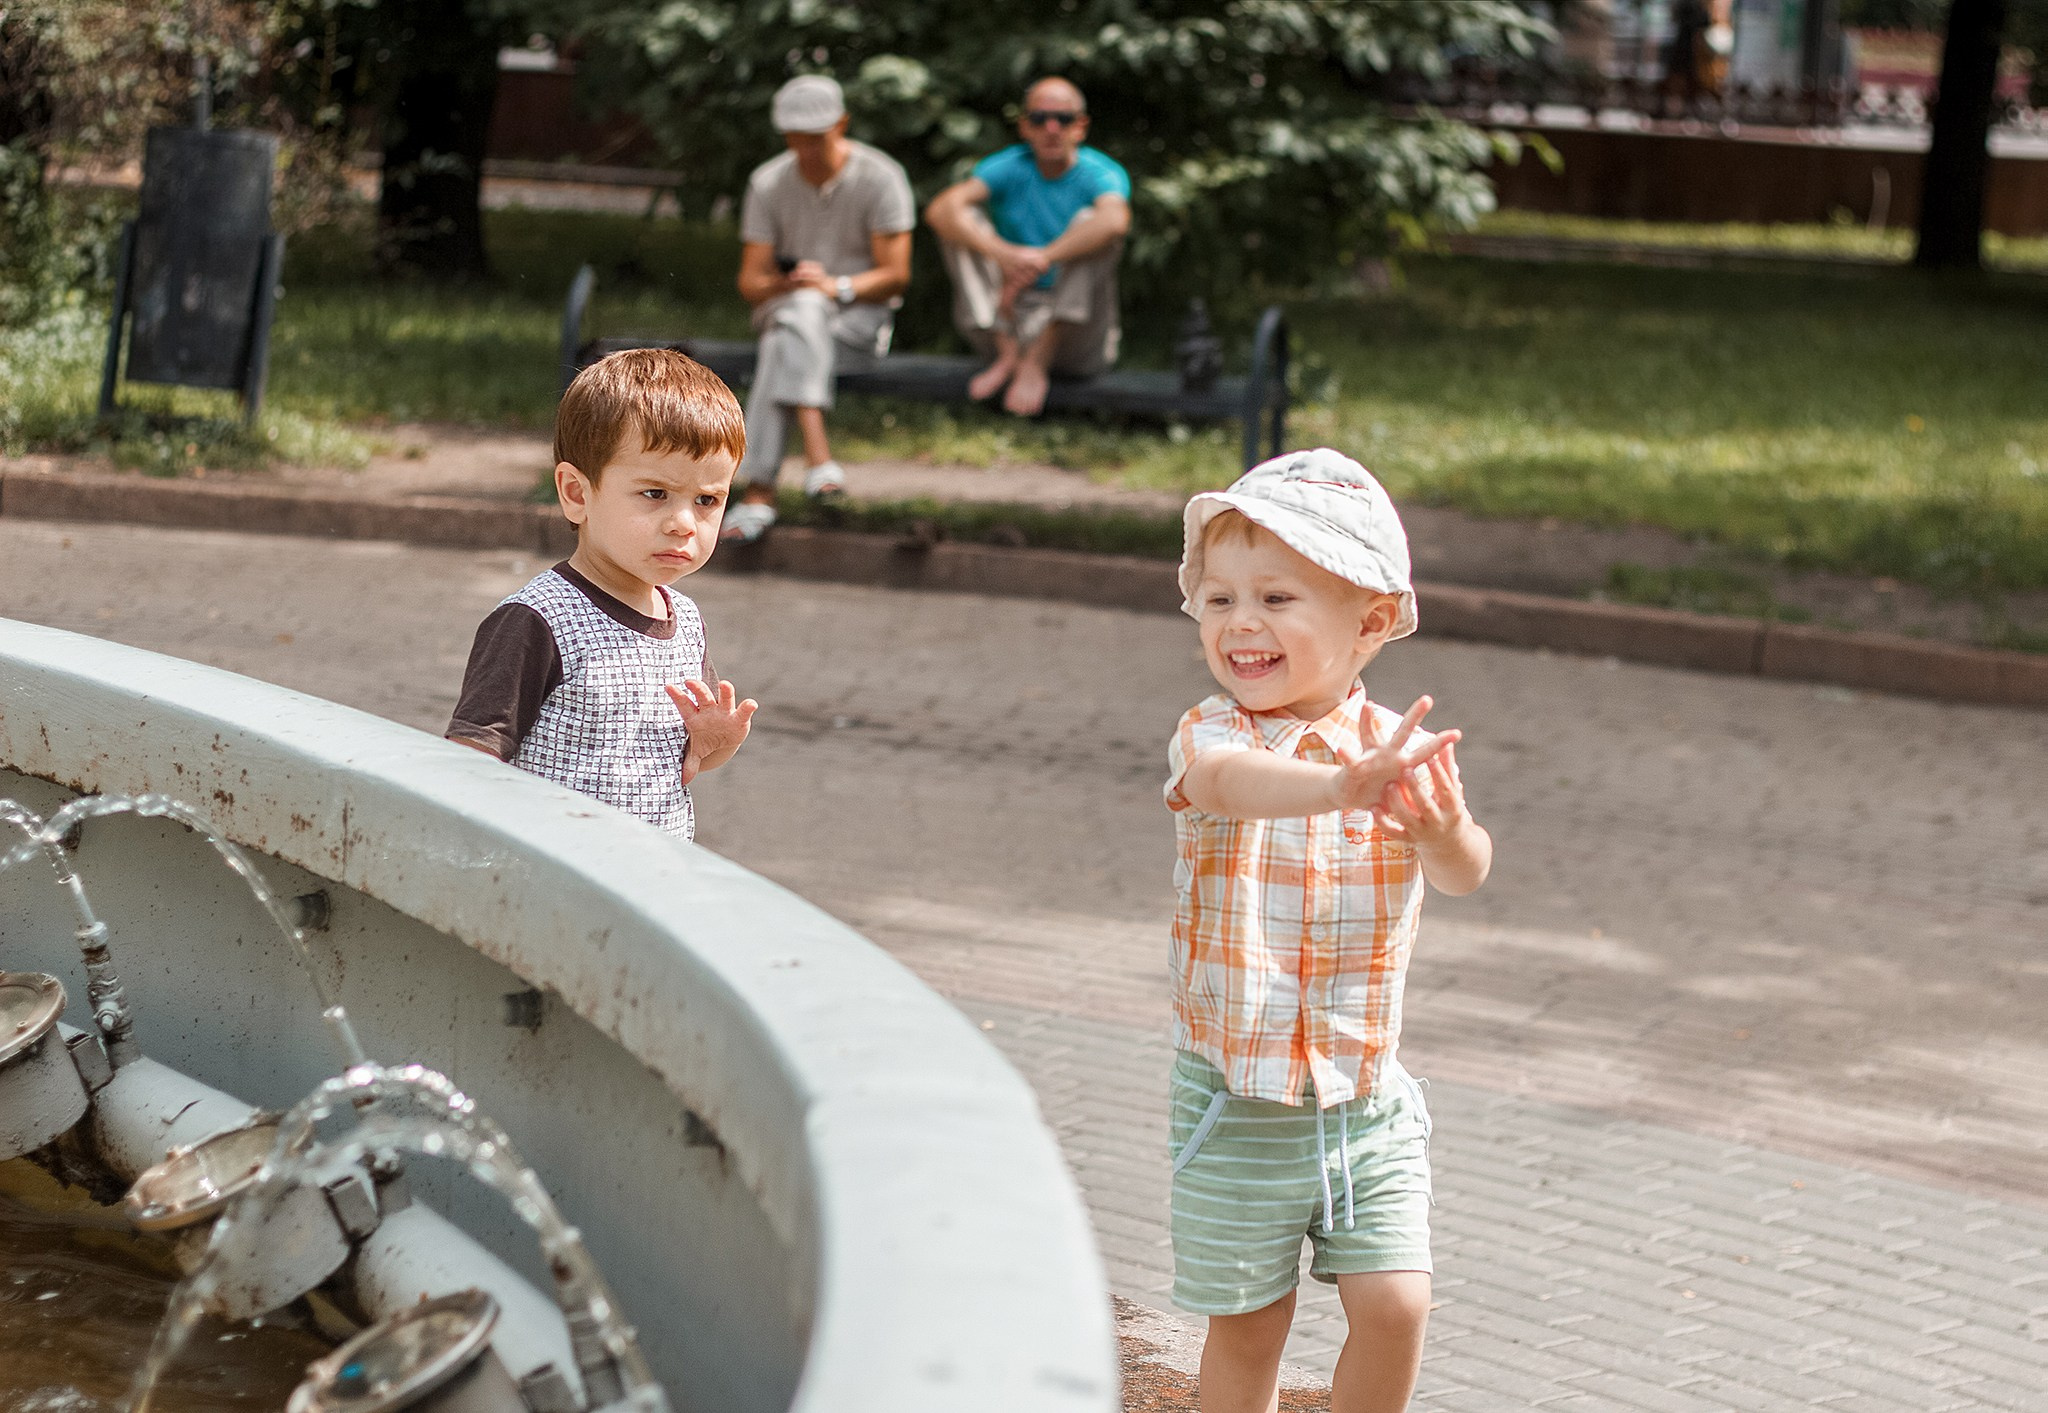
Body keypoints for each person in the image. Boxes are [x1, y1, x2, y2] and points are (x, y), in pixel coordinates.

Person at [1162, 449, 1493, 1413]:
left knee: (1396, 1302)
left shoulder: (1401, 746)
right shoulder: (1212, 733)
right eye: (1217, 600)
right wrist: (1339, 787)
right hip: (1239, 1095)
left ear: (1372, 621)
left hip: (1365, 1096)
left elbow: (1468, 871)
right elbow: (1229, 789)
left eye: (1276, 596)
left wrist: (1442, 828)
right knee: (1252, 1324)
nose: (1241, 624)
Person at [446, 349, 757, 841]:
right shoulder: (537, 620)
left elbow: (690, 759)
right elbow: (472, 758)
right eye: (655, 493)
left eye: (707, 500)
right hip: (552, 877)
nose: (683, 524)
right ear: (576, 493)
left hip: (651, 878)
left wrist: (715, 741)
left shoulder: (686, 621)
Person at [723, 74, 915, 545]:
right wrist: (784, 283)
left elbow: (896, 274)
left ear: (842, 123)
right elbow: (750, 282)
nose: (806, 148)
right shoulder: (767, 182)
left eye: (816, 136)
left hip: (857, 324)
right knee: (799, 310)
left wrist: (835, 286)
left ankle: (760, 493)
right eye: (795, 138)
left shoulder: (880, 177)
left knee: (784, 340)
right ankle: (817, 458)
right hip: (787, 309)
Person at [924, 76, 1130, 417]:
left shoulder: (1101, 173)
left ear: (1080, 127)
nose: (1051, 128)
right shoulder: (1006, 166)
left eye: (1063, 119)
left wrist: (1043, 258)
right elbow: (940, 209)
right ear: (1024, 126)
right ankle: (1008, 354)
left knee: (1092, 225)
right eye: (1039, 119)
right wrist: (1002, 253)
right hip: (1007, 318)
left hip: (1074, 338)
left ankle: (1036, 360)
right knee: (961, 220)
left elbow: (1114, 221)